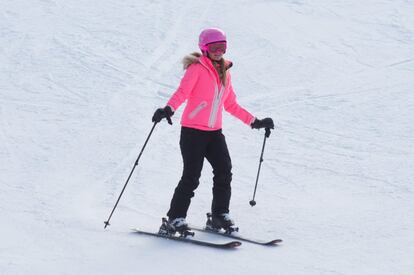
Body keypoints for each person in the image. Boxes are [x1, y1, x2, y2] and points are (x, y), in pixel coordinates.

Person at [152, 28, 274, 235]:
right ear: (204, 48)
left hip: (214, 133)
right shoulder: (196, 69)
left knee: (224, 171)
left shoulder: (225, 72)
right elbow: (182, 93)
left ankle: (219, 215)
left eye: (223, 47)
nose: (219, 51)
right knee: (191, 176)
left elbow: (231, 104)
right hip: (192, 132)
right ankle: (175, 218)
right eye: (215, 47)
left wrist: (255, 122)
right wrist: (168, 109)